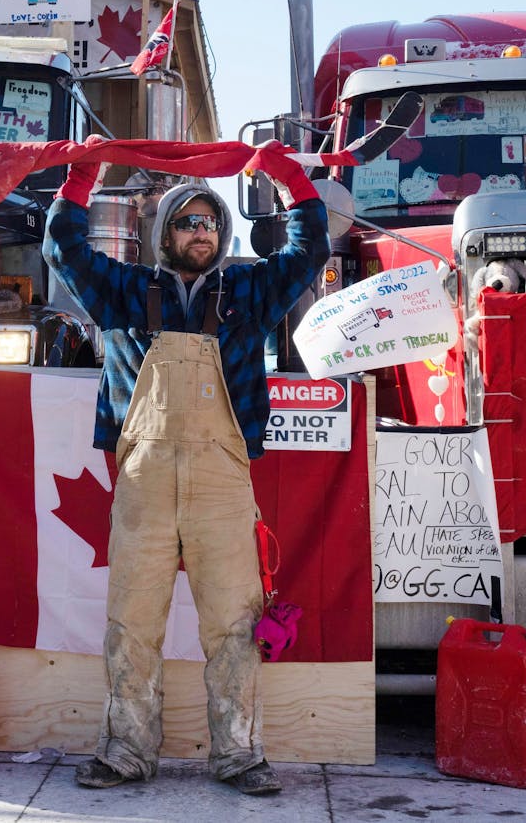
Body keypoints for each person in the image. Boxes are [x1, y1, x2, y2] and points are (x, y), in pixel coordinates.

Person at [43, 149, 329, 796]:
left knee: (234, 621)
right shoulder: (121, 289)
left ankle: (239, 754)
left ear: (221, 235)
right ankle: (124, 752)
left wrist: (292, 180)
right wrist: (81, 175)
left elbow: (311, 253)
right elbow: (62, 249)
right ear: (163, 233)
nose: (199, 233)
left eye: (209, 223)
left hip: (224, 481)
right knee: (131, 621)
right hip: (143, 479)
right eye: (186, 223)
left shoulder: (249, 292)